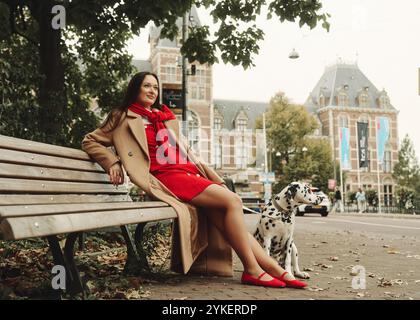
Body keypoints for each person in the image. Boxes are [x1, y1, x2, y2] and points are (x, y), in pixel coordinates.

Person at [82, 72, 306, 289]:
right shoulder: (121, 117)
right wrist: (112, 161)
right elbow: (90, 141)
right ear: (135, 88)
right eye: (147, 86)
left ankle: (273, 269)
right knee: (233, 201)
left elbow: (183, 151)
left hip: (186, 171)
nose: (152, 91)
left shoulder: (164, 117)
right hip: (165, 178)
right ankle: (252, 270)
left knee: (224, 215)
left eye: (156, 87)